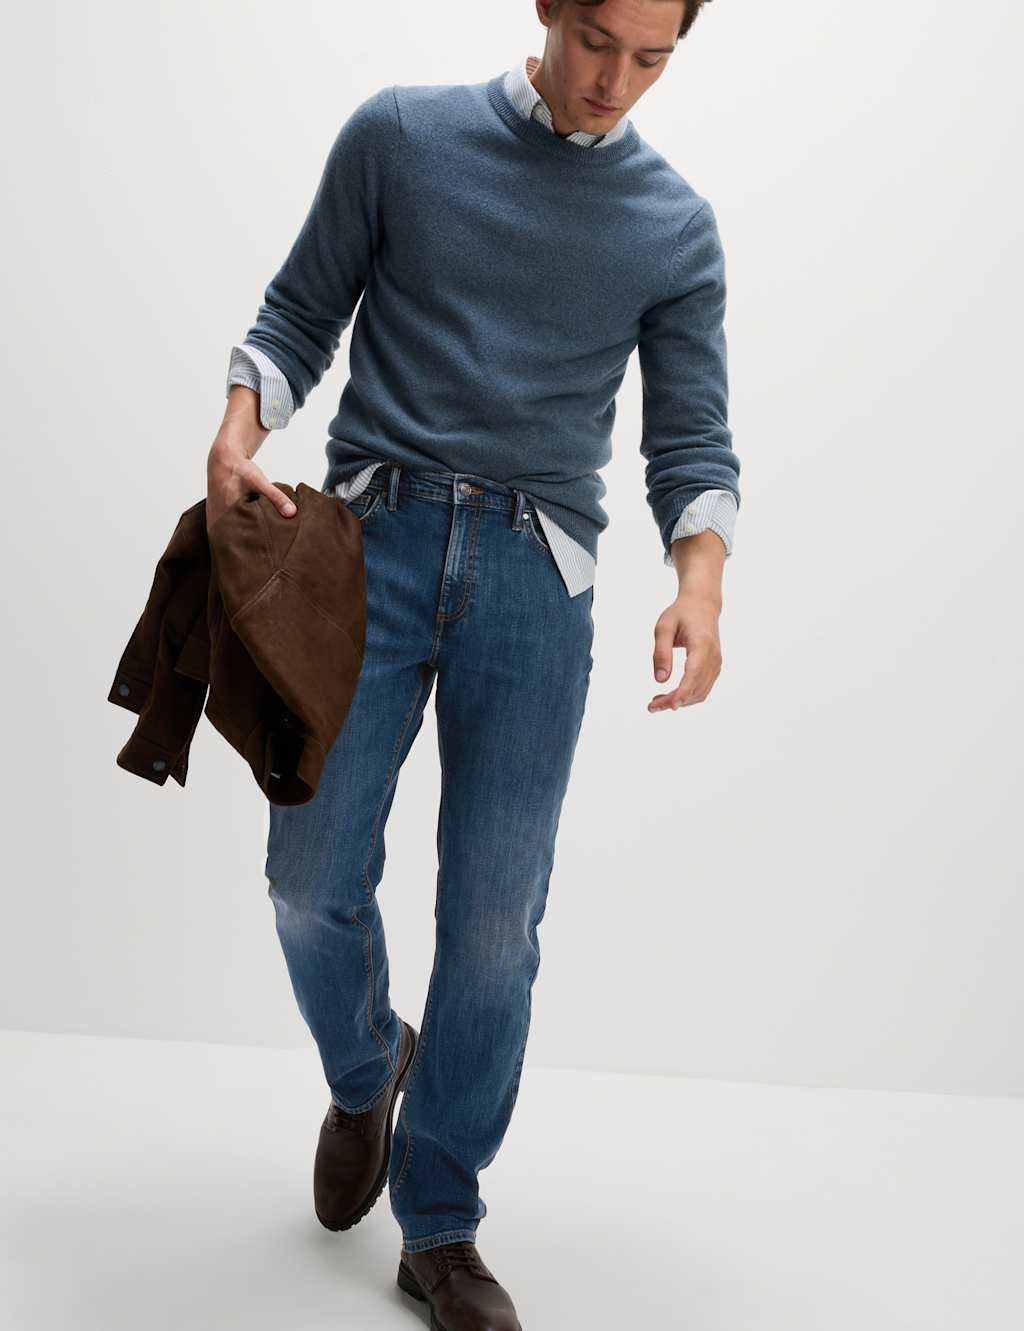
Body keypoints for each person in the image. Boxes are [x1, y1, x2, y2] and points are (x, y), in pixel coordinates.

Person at [206, 2, 739, 1326]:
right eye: (600, 39)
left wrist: (700, 588)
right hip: (369, 550)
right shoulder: (400, 137)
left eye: (654, 59)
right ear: (549, 6)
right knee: (307, 879)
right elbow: (299, 312)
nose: (617, 80)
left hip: (534, 581)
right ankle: (365, 1070)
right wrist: (237, 430)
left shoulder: (674, 227)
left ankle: (441, 1222)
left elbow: (691, 441)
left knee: (496, 925)